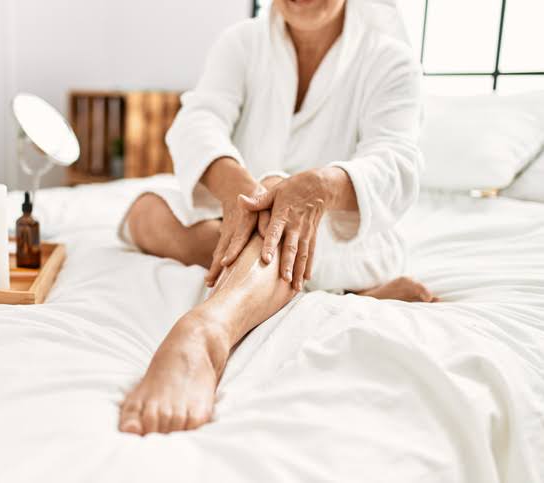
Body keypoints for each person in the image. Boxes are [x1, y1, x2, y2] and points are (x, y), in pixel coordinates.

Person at [118, 0, 435, 436]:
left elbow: (397, 163)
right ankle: (333, 294)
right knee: (145, 211)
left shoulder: (389, 59)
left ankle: (206, 332)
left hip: (340, 232)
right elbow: (199, 121)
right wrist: (241, 191)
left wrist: (323, 186)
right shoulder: (242, 42)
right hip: (244, 208)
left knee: (277, 199)